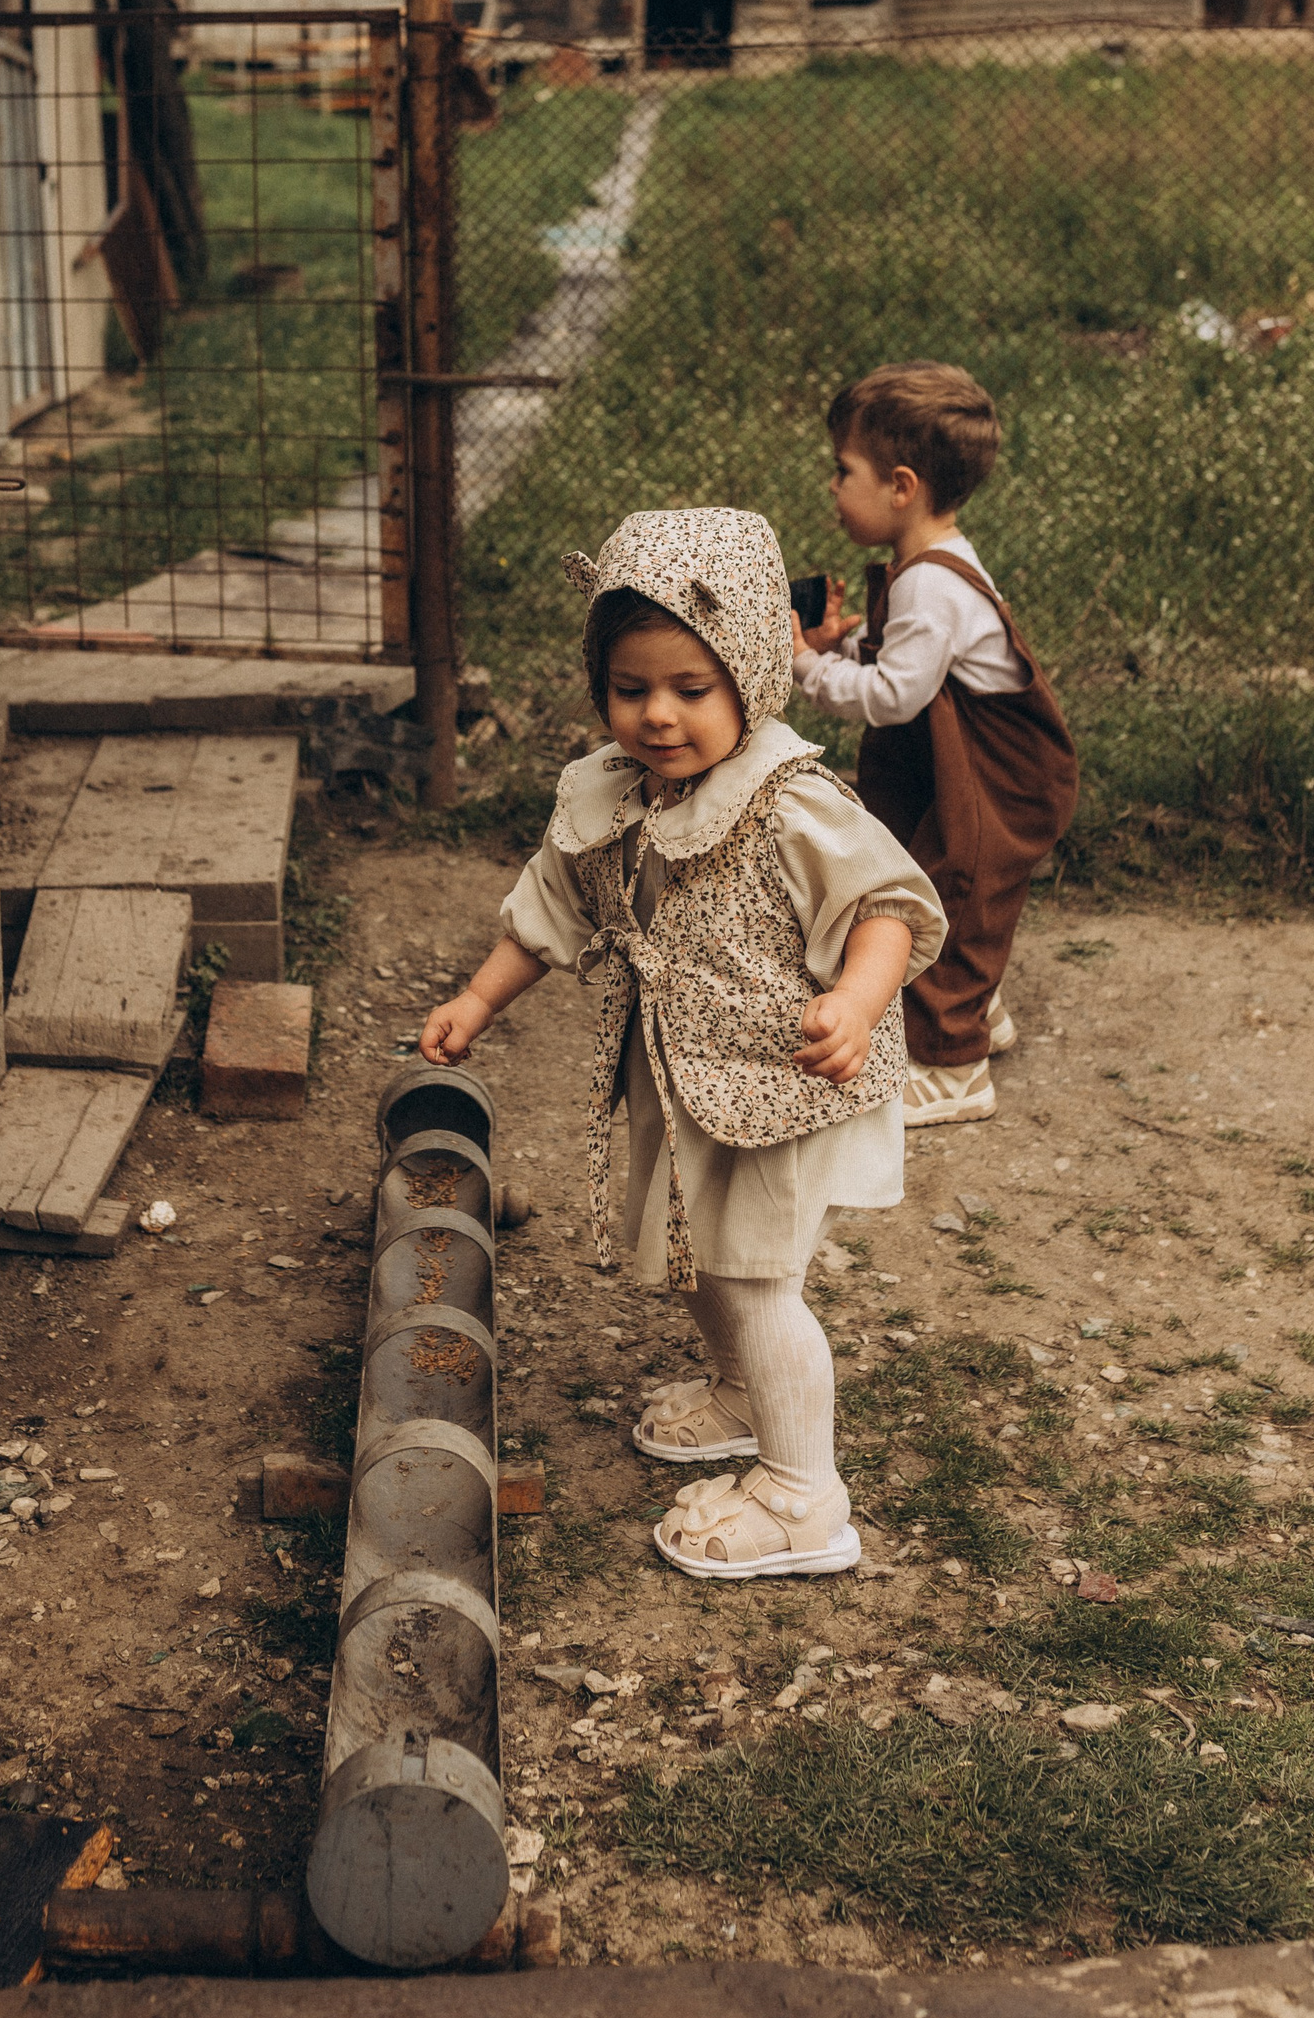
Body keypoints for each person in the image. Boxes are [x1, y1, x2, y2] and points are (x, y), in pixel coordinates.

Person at [419, 507, 944, 1583]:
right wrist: (478, 1000)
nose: (657, 716)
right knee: (703, 1253)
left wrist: (856, 999)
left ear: (751, 672)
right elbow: (549, 907)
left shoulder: (791, 804)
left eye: (692, 689)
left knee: (757, 1281)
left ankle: (804, 1500)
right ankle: (744, 1396)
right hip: (680, 1074)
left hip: (780, 1080)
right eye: (630, 688)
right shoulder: (612, 792)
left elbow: (885, 905)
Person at [790, 361, 1078, 1126]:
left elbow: (894, 695)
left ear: (901, 486)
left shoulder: (930, 584)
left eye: (842, 469)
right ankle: (977, 1011)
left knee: (952, 894)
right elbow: (905, 663)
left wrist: (804, 666)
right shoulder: (923, 569)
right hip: (960, 766)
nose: (831, 486)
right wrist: (837, 646)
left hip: (997, 781)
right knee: (924, 882)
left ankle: (955, 1071)